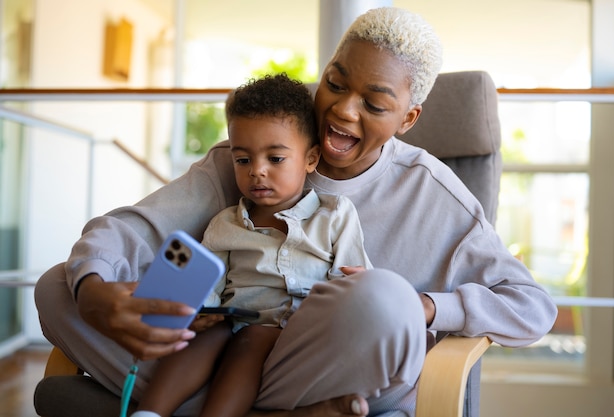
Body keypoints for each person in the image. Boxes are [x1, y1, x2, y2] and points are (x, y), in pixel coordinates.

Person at [35, 6, 557, 417]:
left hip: (337, 367)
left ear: (408, 118)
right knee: (61, 285)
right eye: (336, 81)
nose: (342, 109)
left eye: (374, 104)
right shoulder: (252, 155)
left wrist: (428, 306)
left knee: (383, 297)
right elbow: (132, 230)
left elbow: (533, 306)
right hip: (226, 352)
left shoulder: (434, 194)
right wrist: (95, 291)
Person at [130, 73, 372, 417]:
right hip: (233, 325)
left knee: (254, 337)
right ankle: (150, 413)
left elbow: (352, 277)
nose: (257, 171)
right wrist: (200, 314)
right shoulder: (225, 224)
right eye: (243, 160)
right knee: (202, 335)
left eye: (275, 159)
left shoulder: (333, 216)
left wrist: (353, 293)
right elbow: (210, 285)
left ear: (311, 158)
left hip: (301, 334)